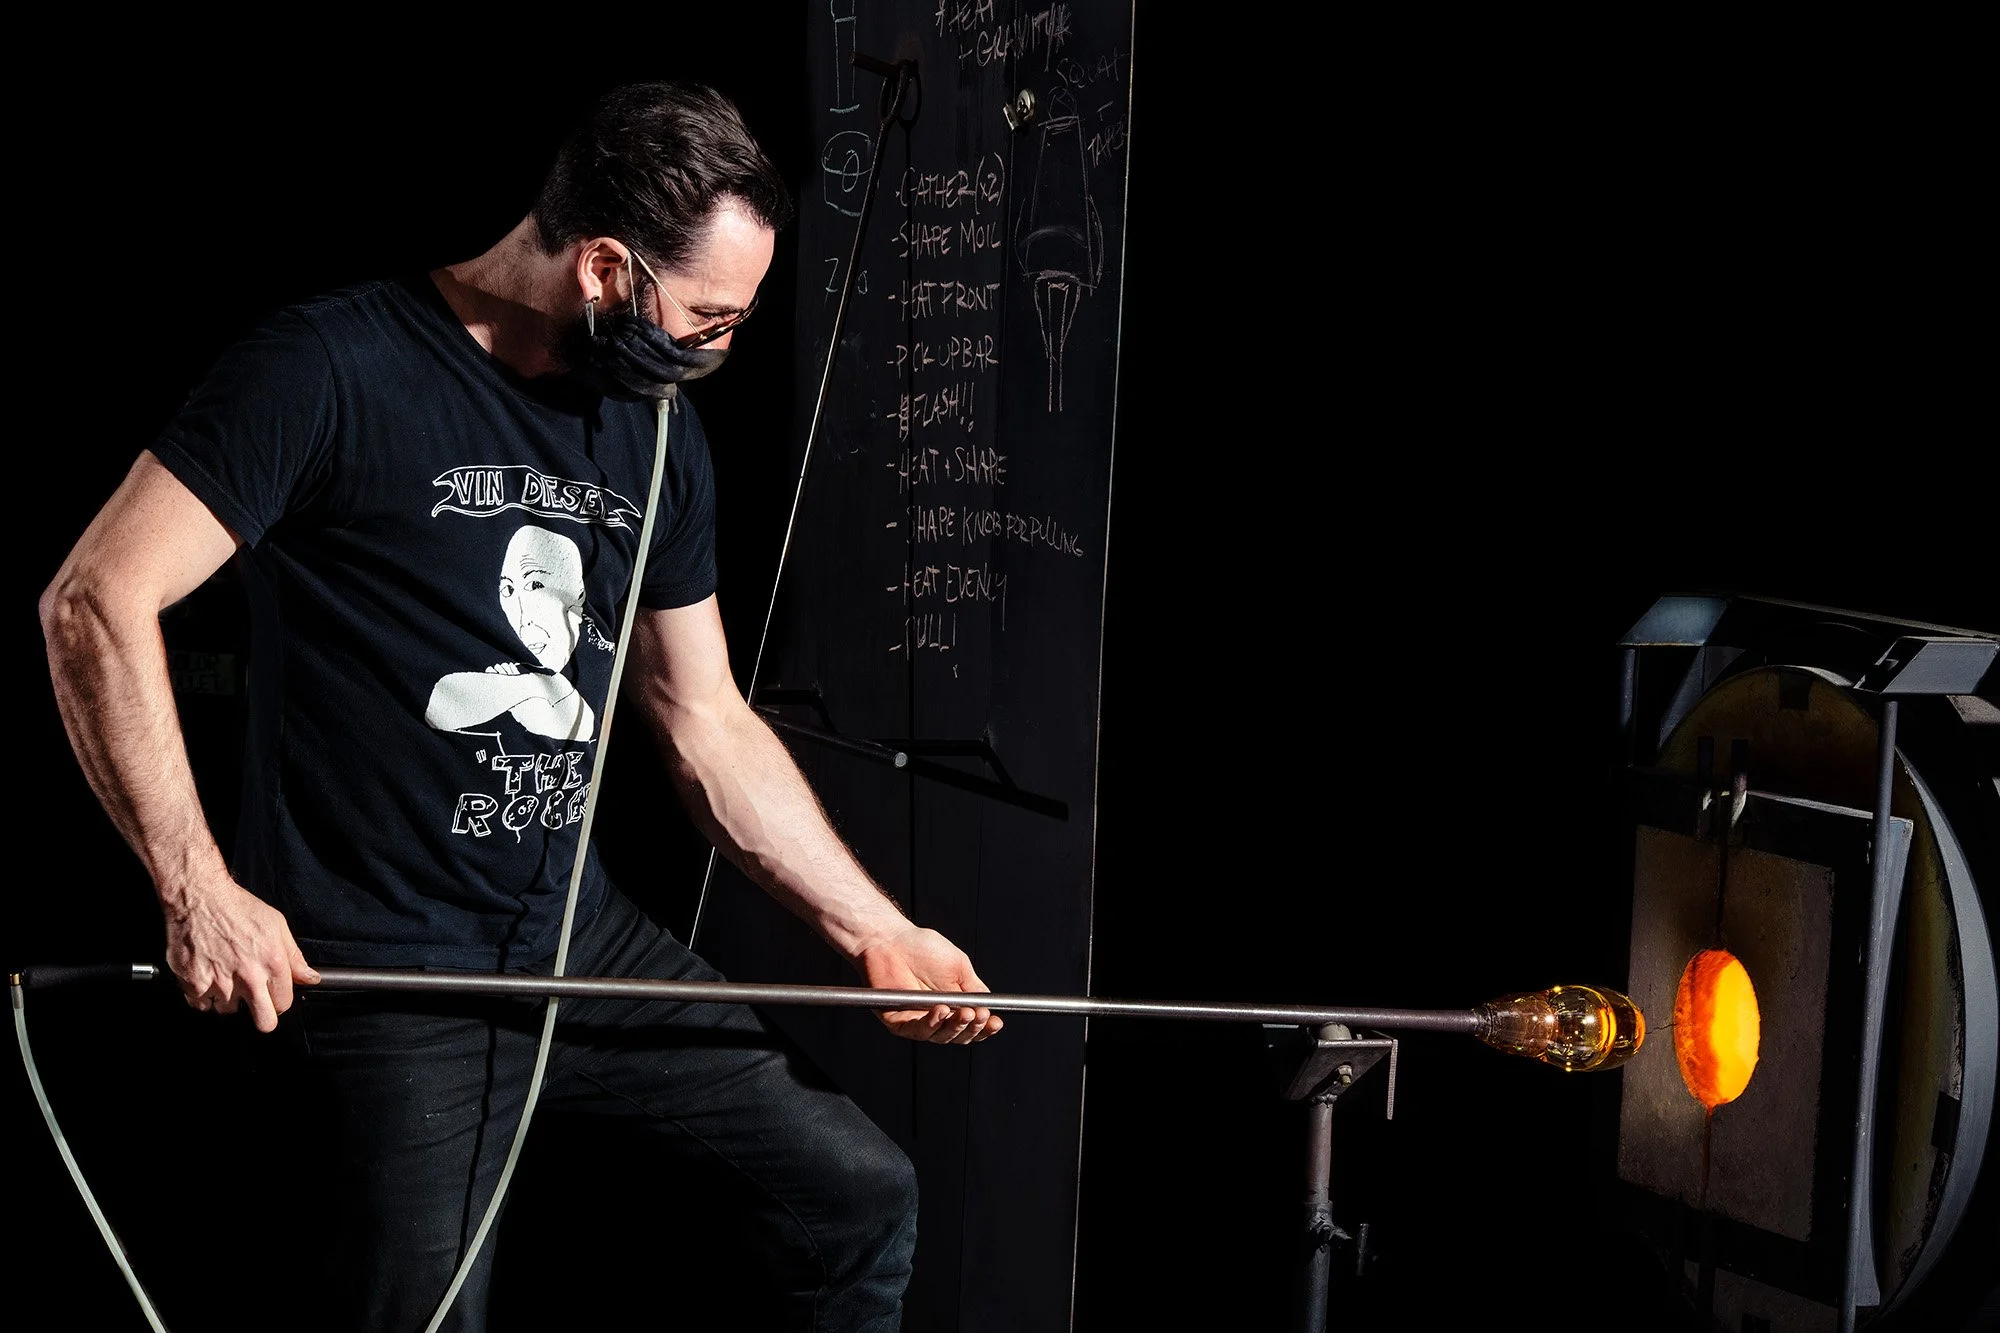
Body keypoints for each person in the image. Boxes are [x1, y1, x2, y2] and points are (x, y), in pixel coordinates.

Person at [38, 80, 999, 1332]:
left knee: (856, 1196)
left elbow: (702, 716)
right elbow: (95, 601)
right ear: (604, 268)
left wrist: (873, 926)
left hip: (574, 944)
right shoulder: (332, 365)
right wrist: (197, 887)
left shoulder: (654, 440)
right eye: (708, 316)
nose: (719, 349)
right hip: (380, 971)